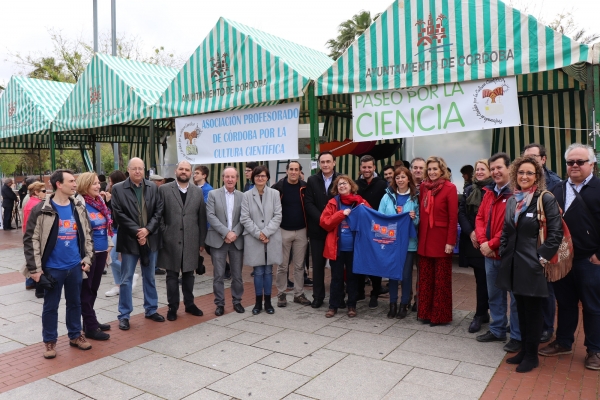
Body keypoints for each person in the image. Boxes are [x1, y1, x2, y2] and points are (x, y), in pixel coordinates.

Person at [498, 156, 562, 372]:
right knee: (521, 309)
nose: (524, 176)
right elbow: (507, 230)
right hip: (513, 264)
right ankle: (524, 350)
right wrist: (504, 250)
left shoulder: (545, 198)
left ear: (537, 176)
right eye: (521, 172)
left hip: (533, 265)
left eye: (529, 173)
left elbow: (556, 232)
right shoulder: (512, 200)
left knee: (533, 311)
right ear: (515, 174)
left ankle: (532, 355)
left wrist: (541, 258)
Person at [540, 143, 600, 371]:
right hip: (563, 260)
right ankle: (564, 341)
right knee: (565, 303)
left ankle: (595, 349)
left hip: (589, 260)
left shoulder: (598, 187)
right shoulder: (558, 188)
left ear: (591, 164)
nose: (574, 166)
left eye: (580, 162)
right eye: (570, 162)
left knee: (593, 306)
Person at [23, 169, 94, 359]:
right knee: (50, 306)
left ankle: (75, 335)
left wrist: (87, 259)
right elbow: (31, 240)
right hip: (52, 269)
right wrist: (35, 270)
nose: (75, 185)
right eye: (71, 181)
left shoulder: (78, 206)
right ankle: (50, 341)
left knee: (75, 303)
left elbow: (87, 234)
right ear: (58, 184)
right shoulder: (42, 209)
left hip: (75, 267)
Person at [111, 158, 165, 331]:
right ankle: (124, 315)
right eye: (134, 168)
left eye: (140, 168)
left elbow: (159, 212)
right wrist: (137, 231)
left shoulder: (152, 188)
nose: (137, 172)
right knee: (126, 279)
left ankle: (151, 309)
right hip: (129, 240)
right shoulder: (118, 189)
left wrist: (147, 230)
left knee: (149, 276)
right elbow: (118, 214)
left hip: (150, 238)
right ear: (128, 170)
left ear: (144, 170)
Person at [475, 153, 522, 353]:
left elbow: (511, 226)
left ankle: (518, 336)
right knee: (495, 295)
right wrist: (483, 241)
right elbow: (479, 218)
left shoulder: (516, 194)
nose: (495, 172)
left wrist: (491, 244)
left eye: (498, 168)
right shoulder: (488, 192)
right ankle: (497, 329)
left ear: (509, 169)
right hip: (489, 254)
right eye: (492, 168)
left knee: (515, 298)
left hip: (508, 255)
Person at [158, 161, 207, 321]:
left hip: (191, 239)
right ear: (176, 171)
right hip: (170, 239)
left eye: (187, 169)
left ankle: (190, 304)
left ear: (191, 173)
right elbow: (159, 215)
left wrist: (201, 241)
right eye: (181, 169)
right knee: (171, 275)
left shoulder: (197, 192)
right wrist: (165, 233)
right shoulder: (164, 190)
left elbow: (201, 218)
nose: (184, 172)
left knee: (189, 275)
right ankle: (173, 307)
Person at [523, 143, 561, 343]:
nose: (530, 160)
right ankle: (530, 325)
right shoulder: (520, 181)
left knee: (546, 289)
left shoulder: (554, 182)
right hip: (524, 244)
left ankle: (547, 327)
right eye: (526, 156)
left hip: (543, 245)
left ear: (543, 159)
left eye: (534, 157)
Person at [320, 175, 370, 318]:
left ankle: (351, 306)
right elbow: (325, 223)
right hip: (336, 248)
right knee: (336, 278)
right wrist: (341, 214)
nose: (342, 186)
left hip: (355, 248)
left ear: (351, 185)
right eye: (339, 184)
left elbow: (370, 218)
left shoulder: (360, 202)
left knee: (353, 278)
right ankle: (333, 306)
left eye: (345, 183)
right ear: (336, 188)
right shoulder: (332, 203)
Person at [416, 156, 457, 326]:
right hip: (425, 239)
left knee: (441, 281)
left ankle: (439, 316)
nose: (432, 172)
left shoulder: (450, 188)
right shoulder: (424, 187)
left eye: (435, 169)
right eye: (430, 169)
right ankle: (425, 313)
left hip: (441, 240)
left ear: (442, 170)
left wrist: (450, 242)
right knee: (425, 279)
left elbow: (453, 218)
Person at [75, 172, 113, 341]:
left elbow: (106, 226)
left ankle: (90, 320)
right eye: (94, 184)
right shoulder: (79, 204)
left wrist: (108, 248)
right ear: (85, 186)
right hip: (88, 254)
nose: (99, 186)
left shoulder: (100, 202)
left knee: (93, 289)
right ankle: (90, 327)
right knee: (86, 290)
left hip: (102, 251)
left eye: (98, 183)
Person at [378, 167, 419, 319]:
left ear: (409, 179)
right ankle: (392, 304)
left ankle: (404, 304)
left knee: (406, 275)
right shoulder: (387, 196)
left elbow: (419, 220)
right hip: (390, 243)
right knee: (392, 274)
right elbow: (380, 217)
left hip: (408, 243)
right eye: (397, 177)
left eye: (403, 177)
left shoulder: (415, 197)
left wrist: (414, 218)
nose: (400, 180)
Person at [240, 166, 282, 315]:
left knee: (269, 271)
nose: (260, 178)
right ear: (253, 178)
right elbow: (244, 217)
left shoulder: (275, 194)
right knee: (258, 271)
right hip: (254, 238)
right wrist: (259, 234)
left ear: (267, 178)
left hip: (271, 237)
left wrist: (266, 232)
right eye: (257, 176)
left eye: (263, 176)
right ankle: (258, 302)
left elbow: (278, 215)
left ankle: (269, 302)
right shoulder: (246, 195)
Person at [458, 159, 493, 333]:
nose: (479, 172)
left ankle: (494, 315)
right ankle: (480, 313)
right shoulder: (469, 190)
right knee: (481, 280)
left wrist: (483, 236)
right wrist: (471, 232)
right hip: (473, 241)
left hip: (490, 241)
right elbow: (462, 213)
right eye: (477, 169)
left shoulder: (495, 189)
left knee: (493, 281)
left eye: (483, 169)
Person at [206, 167, 245, 316]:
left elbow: (244, 217)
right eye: (227, 177)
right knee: (218, 275)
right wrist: (226, 232)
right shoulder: (213, 194)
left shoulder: (243, 196)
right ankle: (220, 304)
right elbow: (210, 216)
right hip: (218, 240)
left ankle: (237, 301)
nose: (230, 179)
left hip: (236, 240)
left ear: (237, 179)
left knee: (237, 274)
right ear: (223, 178)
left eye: (232, 177)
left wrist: (234, 232)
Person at [272, 161, 311, 307]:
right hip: (283, 231)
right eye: (291, 169)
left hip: (301, 231)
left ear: (300, 172)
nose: (293, 172)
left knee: (300, 266)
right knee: (282, 265)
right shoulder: (278, 188)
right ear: (286, 171)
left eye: (296, 169)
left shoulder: (305, 187)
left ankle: (298, 294)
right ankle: (281, 294)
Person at [305, 152, 339, 308]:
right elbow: (309, 203)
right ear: (319, 164)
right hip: (318, 229)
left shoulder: (341, 179)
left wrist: (332, 221)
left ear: (334, 163)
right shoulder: (312, 180)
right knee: (318, 266)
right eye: (322, 162)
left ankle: (337, 297)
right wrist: (323, 220)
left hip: (335, 230)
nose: (325, 164)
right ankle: (318, 296)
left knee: (336, 266)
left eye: (328, 161)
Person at [356, 155, 389, 308]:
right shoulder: (356, 185)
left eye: (369, 167)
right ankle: (360, 290)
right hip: (361, 228)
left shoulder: (382, 184)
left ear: (374, 167)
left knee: (376, 260)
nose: (367, 170)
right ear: (360, 168)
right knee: (361, 259)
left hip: (377, 229)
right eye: (364, 167)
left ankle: (375, 292)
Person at [104, 171, 137, 297]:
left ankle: (130, 275)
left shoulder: (123, 191)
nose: (109, 183)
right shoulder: (113, 191)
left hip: (121, 229)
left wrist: (109, 201)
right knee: (112, 258)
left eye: (110, 180)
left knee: (110, 257)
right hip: (114, 229)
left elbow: (118, 212)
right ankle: (118, 284)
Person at [22, 182, 46, 296]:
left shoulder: (30, 202)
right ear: (36, 192)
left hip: (30, 235)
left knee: (32, 259)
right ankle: (39, 289)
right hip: (35, 237)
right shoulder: (37, 205)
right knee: (37, 261)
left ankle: (30, 282)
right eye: (44, 191)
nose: (46, 193)